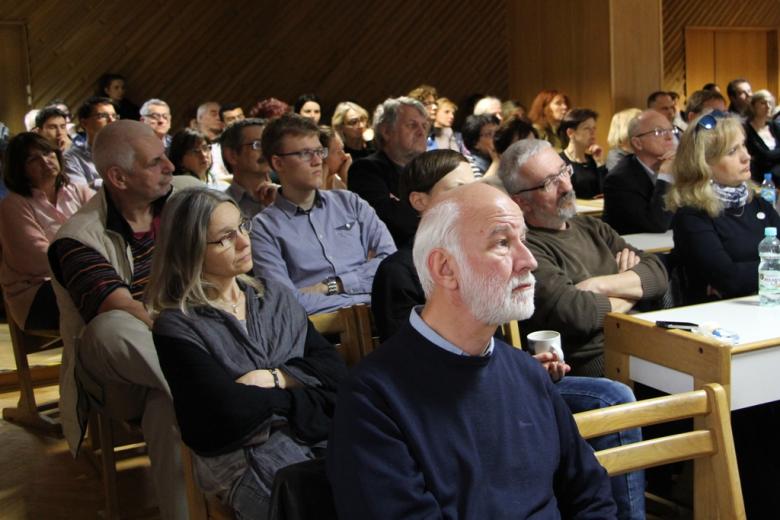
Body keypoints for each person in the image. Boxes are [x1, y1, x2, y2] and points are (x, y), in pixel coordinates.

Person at [328, 181, 618, 519]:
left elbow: (590, 494)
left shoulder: (525, 371)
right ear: (446, 269)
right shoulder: (372, 399)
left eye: (523, 240)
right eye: (502, 243)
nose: (529, 261)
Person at [148, 187, 347, 519]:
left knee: (381, 482)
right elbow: (228, 415)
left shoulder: (275, 298)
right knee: (309, 502)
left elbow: (337, 376)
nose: (243, 242)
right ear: (191, 250)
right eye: (226, 237)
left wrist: (273, 378)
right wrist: (305, 392)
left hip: (315, 435)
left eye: (242, 227)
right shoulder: (179, 325)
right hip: (238, 458)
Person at [48, 120, 201, 520]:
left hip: (187, 355)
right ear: (117, 177)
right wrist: (192, 342)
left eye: (166, 154)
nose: (170, 166)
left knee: (166, 409)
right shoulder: (77, 237)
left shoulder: (186, 196)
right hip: (117, 373)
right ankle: (209, 385)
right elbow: (124, 307)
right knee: (111, 324)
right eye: (155, 162)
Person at [498, 139, 668, 377]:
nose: (566, 186)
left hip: (638, 340)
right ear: (521, 202)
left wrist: (597, 286)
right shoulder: (525, 248)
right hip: (592, 361)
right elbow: (578, 314)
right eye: (549, 183)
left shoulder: (591, 227)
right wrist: (632, 291)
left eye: (564, 171)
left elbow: (657, 274)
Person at [251, 114, 396, 315]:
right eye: (305, 153)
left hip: (382, 316)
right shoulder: (264, 227)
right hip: (322, 333)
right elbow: (285, 302)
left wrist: (331, 285)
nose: (318, 161)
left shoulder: (350, 203)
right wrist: (365, 290)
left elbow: (391, 265)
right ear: (278, 163)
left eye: (319, 151)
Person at [666, 111, 780, 305]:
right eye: (732, 151)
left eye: (743, 145)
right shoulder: (692, 215)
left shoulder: (757, 202)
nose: (747, 156)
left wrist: (754, 274)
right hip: (717, 319)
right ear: (704, 164)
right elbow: (729, 279)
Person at [0, 133, 93, 330]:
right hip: (36, 293)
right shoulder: (13, 205)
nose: (45, 161)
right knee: (100, 291)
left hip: (84, 275)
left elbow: (106, 229)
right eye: (33, 159)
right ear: (20, 169)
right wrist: (91, 258)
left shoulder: (78, 190)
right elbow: (39, 259)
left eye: (48, 153)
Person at [347, 97, 427, 246]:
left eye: (424, 126)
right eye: (412, 125)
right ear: (386, 131)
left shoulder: (426, 170)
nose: (422, 132)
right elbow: (393, 222)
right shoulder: (365, 170)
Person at [603, 110, 677, 234]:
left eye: (671, 130)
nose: (670, 137)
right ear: (637, 143)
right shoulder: (619, 180)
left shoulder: (682, 168)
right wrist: (666, 176)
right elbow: (657, 225)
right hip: (636, 250)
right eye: (659, 132)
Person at [222, 118, 277, 217]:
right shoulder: (221, 205)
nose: (267, 150)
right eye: (258, 144)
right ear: (231, 155)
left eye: (269, 144)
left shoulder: (286, 197)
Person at [63, 96, 118, 188]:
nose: (112, 120)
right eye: (103, 116)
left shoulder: (125, 151)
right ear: (84, 123)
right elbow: (80, 194)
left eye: (114, 116)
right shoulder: (72, 158)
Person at [558, 108, 607, 199]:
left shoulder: (593, 160)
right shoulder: (558, 162)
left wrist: (600, 163)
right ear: (570, 133)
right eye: (587, 128)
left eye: (594, 128)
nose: (593, 133)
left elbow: (607, 193)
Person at [743, 89, 780, 183]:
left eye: (770, 103)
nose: (768, 106)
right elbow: (760, 157)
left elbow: (763, 155)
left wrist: (766, 156)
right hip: (757, 179)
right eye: (763, 103)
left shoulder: (775, 126)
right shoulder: (745, 129)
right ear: (753, 106)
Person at [461, 113, 499, 178]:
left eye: (497, 132)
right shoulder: (468, 162)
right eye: (489, 134)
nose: (496, 137)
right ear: (475, 143)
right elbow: (478, 186)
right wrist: (496, 162)